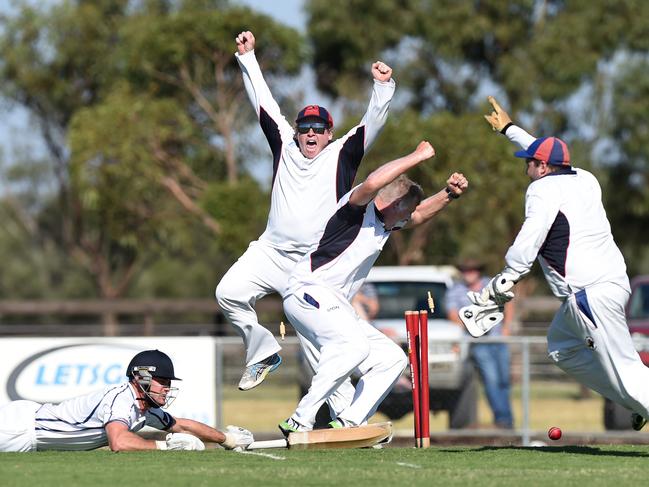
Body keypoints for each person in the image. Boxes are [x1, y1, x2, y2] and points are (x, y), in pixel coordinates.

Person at [216, 30, 396, 393]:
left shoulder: (343, 152)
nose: (311, 135)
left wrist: (383, 85)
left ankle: (346, 420)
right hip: (269, 251)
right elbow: (263, 103)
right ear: (297, 132)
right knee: (228, 292)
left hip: (310, 268)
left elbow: (373, 121)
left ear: (330, 133)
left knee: (320, 353)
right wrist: (248, 58)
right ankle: (263, 352)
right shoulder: (285, 145)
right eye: (305, 128)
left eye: (318, 129)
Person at [477, 95, 649, 430]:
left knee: (626, 368)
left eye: (528, 162)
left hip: (589, 293)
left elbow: (532, 236)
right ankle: (636, 399)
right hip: (609, 285)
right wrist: (510, 130)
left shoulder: (541, 190)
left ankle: (639, 395)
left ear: (541, 168)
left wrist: (508, 275)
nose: (525, 166)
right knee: (562, 349)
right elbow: (545, 153)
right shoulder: (585, 178)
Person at [279, 140, 468, 433]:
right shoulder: (356, 210)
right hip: (307, 290)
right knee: (353, 345)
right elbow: (374, 182)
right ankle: (300, 418)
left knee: (391, 359)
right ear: (397, 204)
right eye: (408, 209)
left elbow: (418, 216)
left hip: (333, 303)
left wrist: (448, 195)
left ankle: (349, 422)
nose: (410, 218)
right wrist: (416, 156)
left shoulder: (386, 223)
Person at [0, 350, 253, 452]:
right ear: (141, 377)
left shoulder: (145, 408)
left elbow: (182, 426)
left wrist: (226, 438)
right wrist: (166, 448)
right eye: (162, 381)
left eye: (168, 383)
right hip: (18, 427)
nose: (166, 388)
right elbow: (119, 442)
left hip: (29, 436)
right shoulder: (122, 399)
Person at [445, 258, 514, 429]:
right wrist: (471, 325)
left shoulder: (491, 285)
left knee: (504, 380)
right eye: (466, 270)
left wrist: (506, 328)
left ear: (478, 271)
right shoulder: (455, 291)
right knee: (492, 380)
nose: (469, 274)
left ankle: (507, 420)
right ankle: (503, 419)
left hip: (499, 340)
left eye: (472, 270)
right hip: (479, 343)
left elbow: (508, 305)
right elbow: (453, 315)